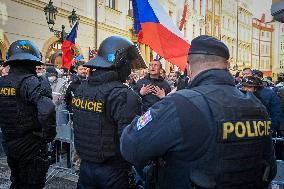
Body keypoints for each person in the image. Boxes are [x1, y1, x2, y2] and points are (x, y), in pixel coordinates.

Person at [120, 35, 277, 189]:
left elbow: (130, 147)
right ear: (227, 66)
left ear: (189, 68)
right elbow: (270, 169)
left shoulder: (179, 104)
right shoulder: (256, 105)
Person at [73, 36, 145, 189]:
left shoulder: (81, 89)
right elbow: (130, 142)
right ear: (120, 63)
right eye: (128, 65)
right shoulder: (124, 95)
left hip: (86, 167)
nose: (130, 70)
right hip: (114, 172)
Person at [0, 40, 56, 188]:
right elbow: (48, 109)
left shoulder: (2, 82)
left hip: (8, 140)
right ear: (32, 62)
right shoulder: (31, 82)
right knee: (32, 184)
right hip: (30, 143)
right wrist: (48, 134)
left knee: (16, 181)